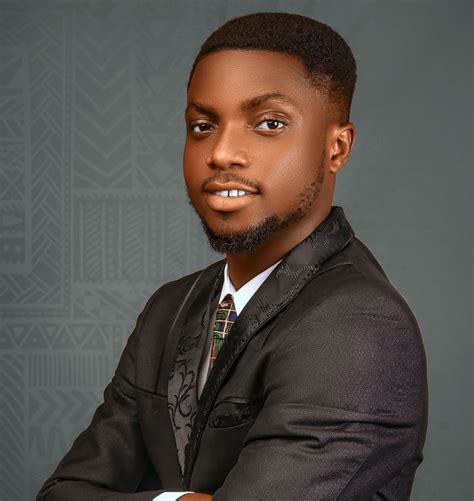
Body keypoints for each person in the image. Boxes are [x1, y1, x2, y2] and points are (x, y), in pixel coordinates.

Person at [37, 12, 428, 501]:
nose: (221, 153)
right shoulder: (169, 308)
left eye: (269, 123)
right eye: (202, 125)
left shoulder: (358, 324)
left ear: (337, 147)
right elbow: (61, 493)